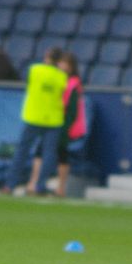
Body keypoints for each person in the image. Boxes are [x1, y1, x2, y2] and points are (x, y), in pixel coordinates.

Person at [2, 47, 67, 196]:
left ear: (47, 57)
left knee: (22, 151)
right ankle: (40, 186)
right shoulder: (62, 77)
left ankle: (10, 185)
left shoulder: (35, 70)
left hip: (33, 116)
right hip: (53, 119)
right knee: (49, 154)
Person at [26, 51, 87, 197]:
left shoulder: (73, 83)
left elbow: (72, 109)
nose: (63, 66)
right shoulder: (55, 78)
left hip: (62, 124)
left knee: (61, 154)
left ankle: (60, 187)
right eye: (61, 63)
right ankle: (34, 183)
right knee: (41, 152)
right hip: (51, 120)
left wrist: (66, 127)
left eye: (66, 64)